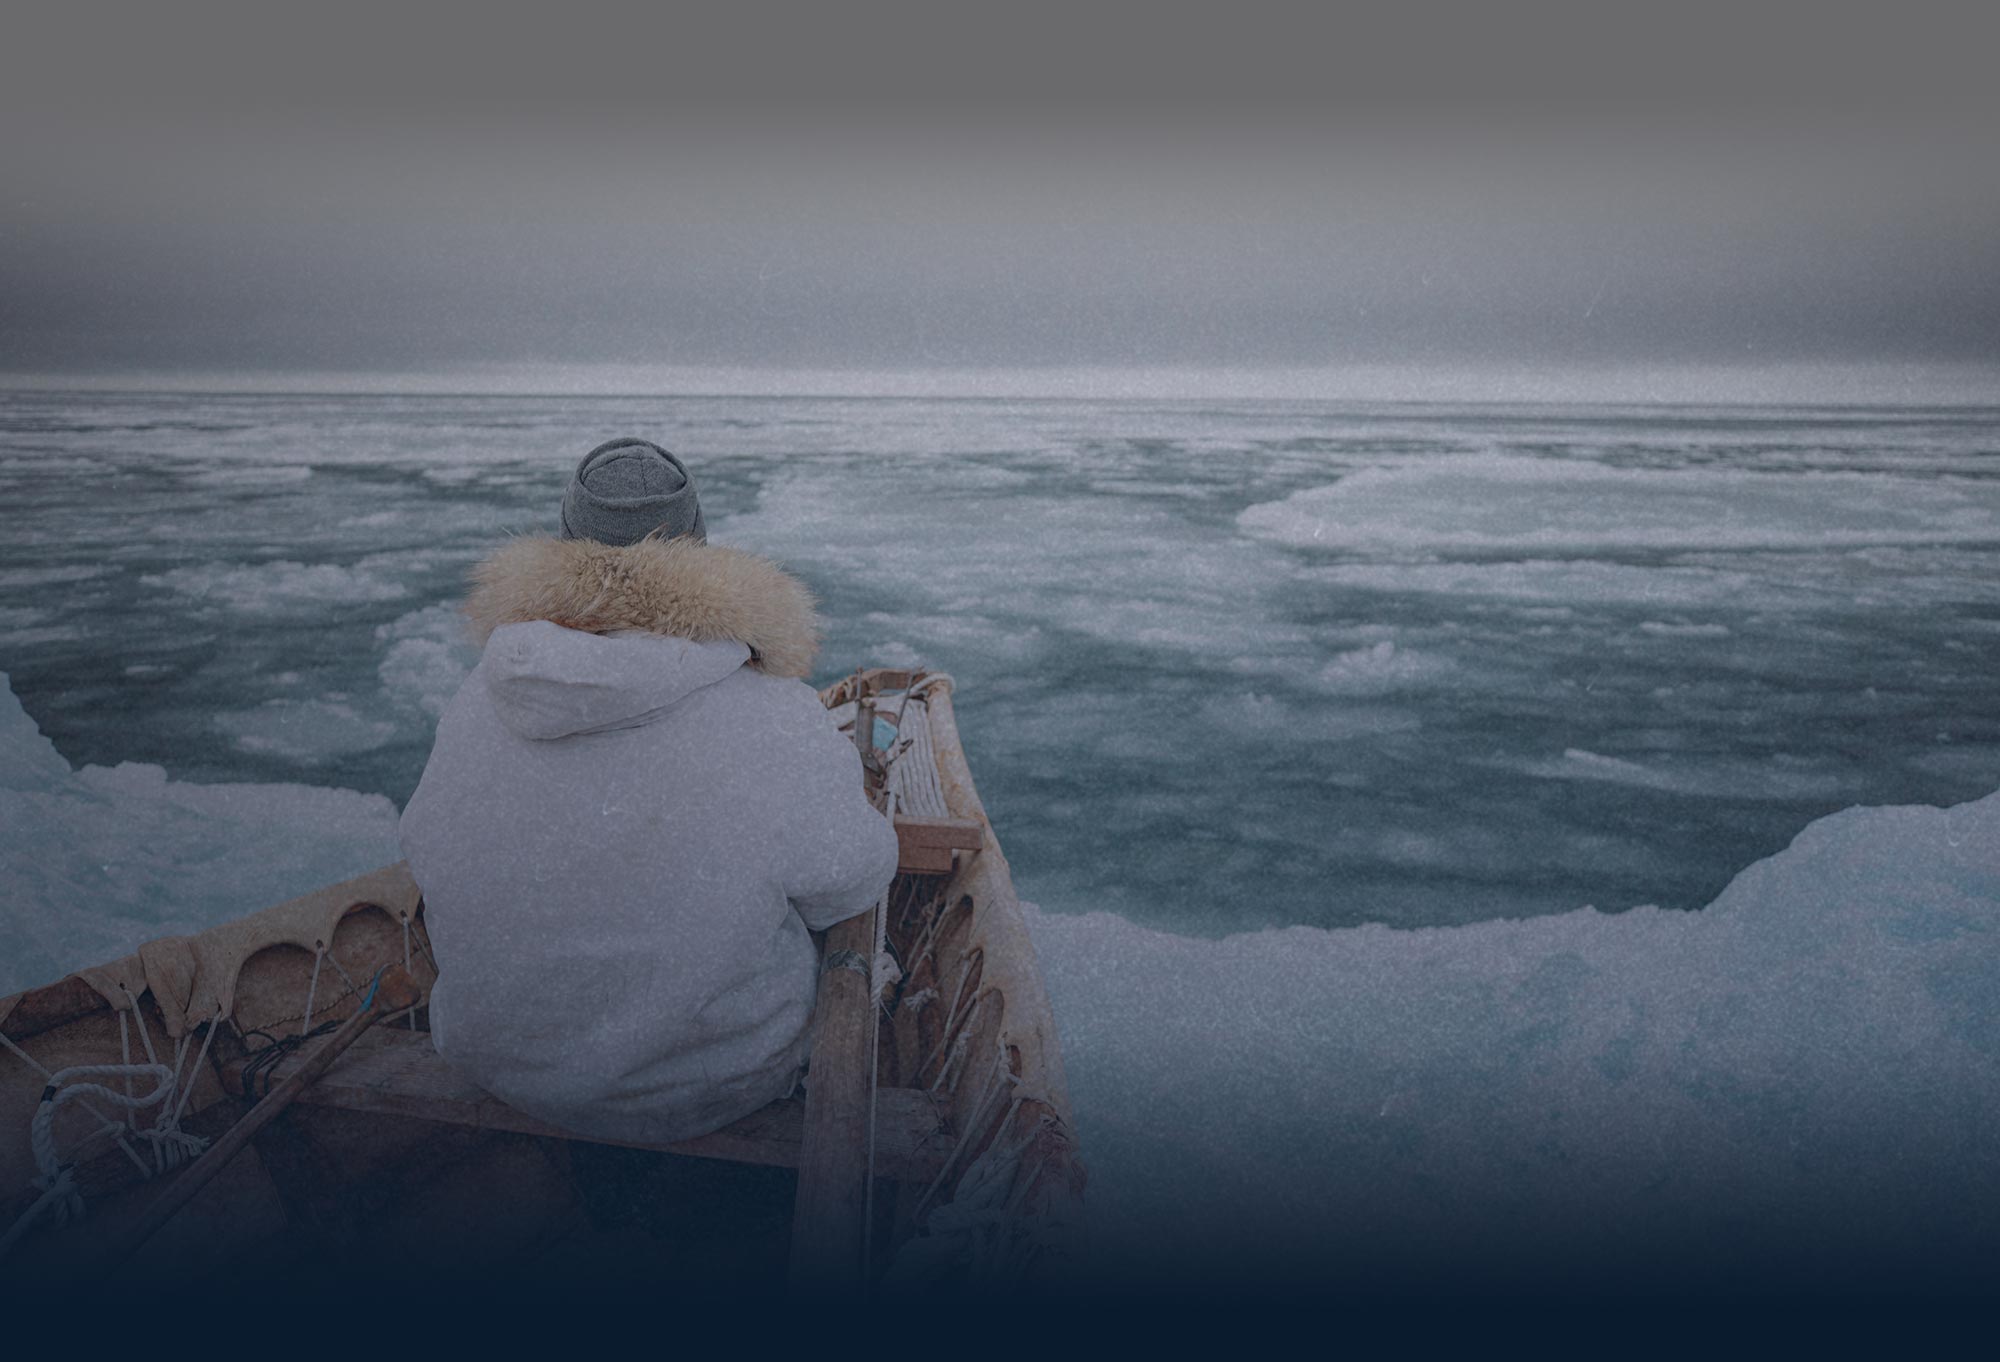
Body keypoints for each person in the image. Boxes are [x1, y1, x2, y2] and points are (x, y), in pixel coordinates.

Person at [399, 437, 900, 1146]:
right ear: (698, 551)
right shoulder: (768, 711)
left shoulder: (480, 700)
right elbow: (849, 884)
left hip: (504, 1066)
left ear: (562, 545)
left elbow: (425, 846)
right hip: (715, 1080)